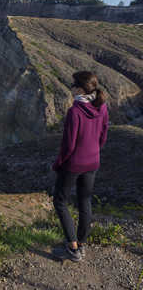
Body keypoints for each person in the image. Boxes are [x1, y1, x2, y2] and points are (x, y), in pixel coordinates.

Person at [51, 71, 109, 262]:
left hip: (74, 163)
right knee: (85, 200)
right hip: (93, 162)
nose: (71, 86)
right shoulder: (102, 108)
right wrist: (93, 152)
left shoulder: (75, 112)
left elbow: (68, 145)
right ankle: (82, 243)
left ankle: (72, 248)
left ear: (80, 88)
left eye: (73, 83)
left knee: (60, 201)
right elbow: (103, 136)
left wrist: (59, 163)